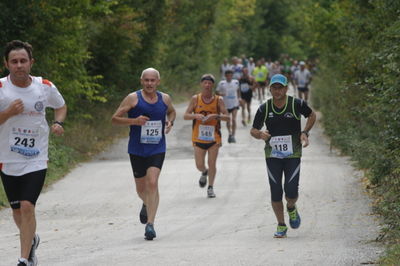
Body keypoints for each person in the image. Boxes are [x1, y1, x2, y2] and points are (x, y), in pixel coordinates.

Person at [0, 40, 67, 266]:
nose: (19, 65)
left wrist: (58, 122)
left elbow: (60, 105)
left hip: (36, 157)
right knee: (17, 211)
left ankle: (24, 258)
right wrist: (7, 113)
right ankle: (31, 240)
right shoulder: (1, 88)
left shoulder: (44, 86)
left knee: (28, 206)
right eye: (14, 61)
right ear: (6, 64)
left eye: (23, 61)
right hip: (7, 158)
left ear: (31, 62)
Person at [111, 68, 176, 240]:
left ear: (158, 82)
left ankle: (150, 225)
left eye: (152, 80)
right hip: (137, 149)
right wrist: (134, 121)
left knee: (152, 183)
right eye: (146, 80)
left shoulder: (165, 98)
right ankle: (147, 203)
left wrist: (170, 122)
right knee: (141, 189)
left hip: (157, 148)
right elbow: (114, 119)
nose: (149, 83)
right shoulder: (133, 98)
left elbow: (172, 111)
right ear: (141, 81)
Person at [250, 74, 316, 238]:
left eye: (281, 87)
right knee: (276, 191)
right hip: (272, 155)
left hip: (293, 153)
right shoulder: (264, 108)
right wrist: (260, 135)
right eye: (274, 87)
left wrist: (305, 132)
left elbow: (312, 115)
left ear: (286, 88)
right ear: (270, 89)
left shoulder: (296, 104)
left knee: (291, 192)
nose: (277, 91)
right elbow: (253, 130)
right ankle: (281, 224)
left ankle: (291, 207)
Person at [183, 74, 229, 198]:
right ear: (201, 84)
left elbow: (227, 117)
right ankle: (204, 172)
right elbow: (185, 115)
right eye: (205, 83)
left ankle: (210, 187)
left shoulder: (218, 100)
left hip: (214, 138)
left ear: (213, 85)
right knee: (199, 164)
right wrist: (195, 116)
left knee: (212, 163)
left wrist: (215, 116)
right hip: (198, 137)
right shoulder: (195, 99)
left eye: (210, 83)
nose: (207, 85)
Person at [216, 69, 241, 143]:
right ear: (225, 76)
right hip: (226, 105)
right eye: (228, 76)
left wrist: (239, 98)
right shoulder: (222, 83)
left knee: (233, 119)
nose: (229, 77)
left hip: (234, 104)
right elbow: (216, 92)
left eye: (230, 75)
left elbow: (238, 90)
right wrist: (221, 94)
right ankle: (229, 133)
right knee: (228, 120)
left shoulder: (236, 82)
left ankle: (233, 135)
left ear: (232, 76)